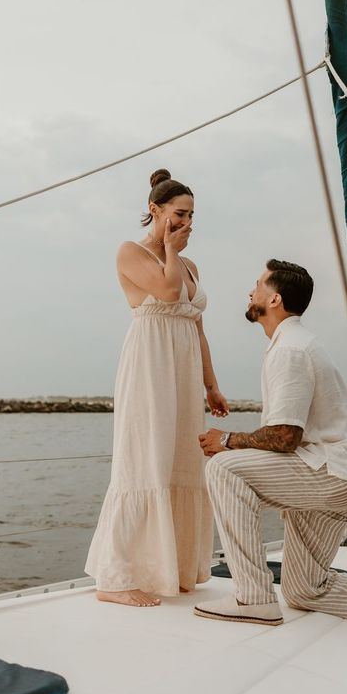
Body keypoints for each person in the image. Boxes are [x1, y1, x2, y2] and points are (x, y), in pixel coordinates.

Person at [195, 259, 347, 657]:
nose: (251, 291)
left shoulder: (291, 350)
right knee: (303, 589)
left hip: (327, 474)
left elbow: (285, 436)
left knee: (224, 468)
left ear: (274, 298)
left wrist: (226, 439)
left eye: (257, 285)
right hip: (340, 475)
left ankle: (253, 598)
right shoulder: (293, 343)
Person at [85, 169, 228, 607]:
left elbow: (198, 326)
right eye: (179, 214)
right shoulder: (131, 251)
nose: (186, 223)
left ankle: (174, 567)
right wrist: (168, 245)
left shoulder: (189, 264)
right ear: (155, 210)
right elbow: (166, 294)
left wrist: (211, 384)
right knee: (143, 457)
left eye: (191, 215)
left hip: (183, 365)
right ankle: (115, 577)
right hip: (150, 362)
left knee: (182, 458)